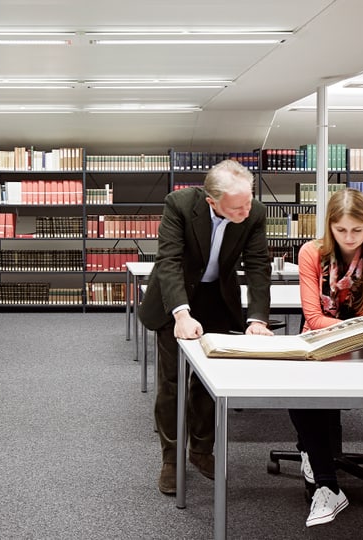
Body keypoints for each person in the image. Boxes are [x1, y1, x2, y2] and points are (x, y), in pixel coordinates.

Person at [139, 159, 273, 496]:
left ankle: (201, 451)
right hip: (176, 298)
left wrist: (257, 318)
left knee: (208, 382)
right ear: (212, 201)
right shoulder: (180, 204)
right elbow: (168, 261)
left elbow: (258, 265)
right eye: (237, 206)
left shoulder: (253, 212)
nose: (246, 210)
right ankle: (171, 458)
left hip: (217, 298)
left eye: (248, 201)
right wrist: (181, 315)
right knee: (172, 381)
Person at [292, 187, 363, 527]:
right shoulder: (311, 253)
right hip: (325, 344)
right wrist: (358, 326)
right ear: (329, 227)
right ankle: (328, 486)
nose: (350, 238)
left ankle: (311, 452)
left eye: (357, 229)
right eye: (341, 230)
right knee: (301, 388)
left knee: (314, 398)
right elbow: (312, 317)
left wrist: (353, 328)